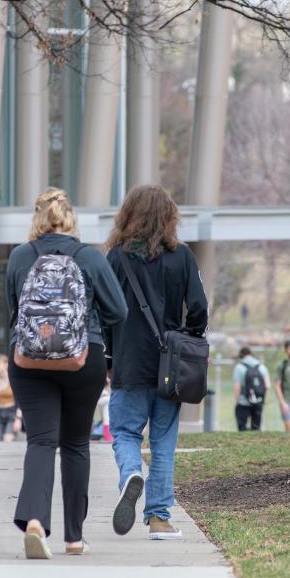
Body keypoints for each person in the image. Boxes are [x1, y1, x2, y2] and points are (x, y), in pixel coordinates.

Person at [6, 188, 128, 559]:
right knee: (75, 444)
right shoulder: (89, 257)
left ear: (37, 220)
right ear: (71, 220)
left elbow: (13, 310)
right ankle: (74, 537)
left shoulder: (19, 256)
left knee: (40, 442)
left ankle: (34, 523)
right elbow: (119, 311)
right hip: (81, 358)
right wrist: (91, 327)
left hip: (28, 360)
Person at [106, 184, 207, 541]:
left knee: (124, 433)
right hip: (172, 366)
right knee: (164, 441)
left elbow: (102, 312)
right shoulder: (182, 257)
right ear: (169, 216)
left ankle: (131, 472)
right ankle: (159, 519)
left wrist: (108, 357)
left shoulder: (116, 258)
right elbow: (199, 309)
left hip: (129, 363)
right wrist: (190, 336)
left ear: (128, 214)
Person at [232, 347, 269, 431]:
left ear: (241, 355)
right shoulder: (261, 366)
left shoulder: (239, 367)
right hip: (258, 402)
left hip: (243, 402)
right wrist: (261, 398)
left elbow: (237, 387)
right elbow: (267, 386)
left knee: (242, 429)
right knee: (256, 429)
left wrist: (236, 402)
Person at [0, 354, 21, 442]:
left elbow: (19, 400)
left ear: (6, 364)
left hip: (11, 413)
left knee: (8, 440)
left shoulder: (13, 380)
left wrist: (18, 419)